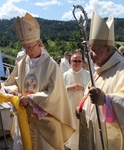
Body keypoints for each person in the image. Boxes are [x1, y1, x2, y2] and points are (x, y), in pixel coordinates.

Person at [76, 12, 124, 150]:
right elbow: (90, 93)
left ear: (108, 49)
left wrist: (107, 100)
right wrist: (82, 106)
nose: (90, 54)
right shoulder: (100, 68)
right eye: (90, 50)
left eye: (94, 50)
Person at [3, 12, 75, 150]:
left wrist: (30, 99)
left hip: (43, 122)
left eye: (30, 47)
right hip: (24, 117)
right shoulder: (23, 62)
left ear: (40, 44)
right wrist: (15, 92)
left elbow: (55, 94)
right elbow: (10, 83)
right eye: (25, 48)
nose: (27, 51)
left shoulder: (51, 65)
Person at [63, 53, 90, 150]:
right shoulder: (65, 75)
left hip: (84, 107)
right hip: (69, 107)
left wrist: (83, 87)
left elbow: (91, 88)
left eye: (79, 61)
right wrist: (68, 88)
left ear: (83, 63)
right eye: (75, 61)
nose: (77, 63)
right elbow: (59, 90)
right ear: (70, 62)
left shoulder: (87, 74)